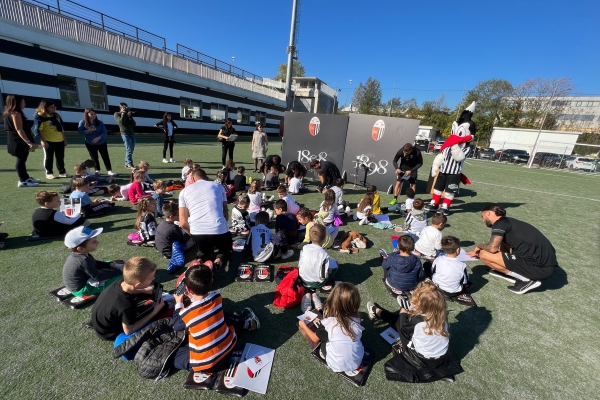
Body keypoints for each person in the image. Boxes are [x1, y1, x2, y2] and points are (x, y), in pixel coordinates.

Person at [366, 281, 463, 383]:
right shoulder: (443, 315)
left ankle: (375, 311)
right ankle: (441, 373)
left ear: (423, 306)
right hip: (443, 359)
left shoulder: (417, 321)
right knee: (407, 319)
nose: (413, 303)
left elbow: (403, 330)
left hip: (420, 360)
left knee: (398, 320)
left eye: (415, 303)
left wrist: (403, 313)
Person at [171, 264, 260, 372]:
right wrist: (193, 297)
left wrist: (178, 303)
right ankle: (248, 323)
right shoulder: (217, 297)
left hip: (206, 365)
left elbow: (177, 325)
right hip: (230, 346)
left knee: (174, 356)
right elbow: (202, 308)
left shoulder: (187, 313)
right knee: (219, 314)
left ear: (188, 290)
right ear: (212, 281)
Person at [467, 204, 558, 294]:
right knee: (502, 242)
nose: (483, 221)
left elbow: (492, 248)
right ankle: (512, 270)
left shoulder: (499, 224)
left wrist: (478, 246)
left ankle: (526, 280)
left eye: (483, 216)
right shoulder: (509, 222)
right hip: (545, 265)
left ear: (489, 213)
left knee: (484, 254)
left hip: (539, 269)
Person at [90, 257, 166, 341]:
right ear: (137, 284)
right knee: (159, 310)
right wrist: (155, 310)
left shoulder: (120, 281)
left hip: (101, 323)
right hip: (110, 333)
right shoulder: (127, 304)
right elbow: (128, 331)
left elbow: (131, 289)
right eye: (151, 278)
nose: (153, 278)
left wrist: (144, 290)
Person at [298, 283, 364, 373]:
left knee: (324, 340)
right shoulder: (357, 319)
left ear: (332, 301)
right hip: (356, 363)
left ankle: (308, 311)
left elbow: (314, 338)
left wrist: (303, 326)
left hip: (335, 364)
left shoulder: (328, 323)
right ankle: (318, 308)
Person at [426, 102, 476, 216]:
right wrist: (435, 166)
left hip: (454, 173)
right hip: (443, 171)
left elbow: (458, 157)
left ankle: (445, 206)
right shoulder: (448, 144)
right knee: (438, 188)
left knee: (449, 191)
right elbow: (441, 155)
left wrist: (454, 144)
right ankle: (434, 203)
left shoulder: (467, 147)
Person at [179, 168, 232, 270]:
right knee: (225, 250)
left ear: (193, 179)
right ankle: (217, 263)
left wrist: (195, 233)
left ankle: (198, 261)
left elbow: (183, 223)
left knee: (204, 252)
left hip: (197, 232)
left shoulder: (184, 192)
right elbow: (225, 213)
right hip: (218, 229)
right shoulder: (219, 186)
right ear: (206, 178)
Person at [62, 226, 122, 296]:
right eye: (94, 242)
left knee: (108, 262)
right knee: (121, 277)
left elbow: (95, 263)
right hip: (82, 289)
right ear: (80, 248)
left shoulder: (80, 255)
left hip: (83, 281)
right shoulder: (83, 260)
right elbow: (98, 277)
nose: (98, 242)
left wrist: (109, 264)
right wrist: (120, 271)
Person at [298, 224, 339, 312]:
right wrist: (330, 272)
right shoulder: (324, 255)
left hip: (303, 278)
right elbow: (323, 276)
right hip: (316, 283)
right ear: (324, 240)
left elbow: (300, 264)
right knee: (335, 265)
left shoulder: (305, 247)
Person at [3, 95, 40, 187]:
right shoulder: (16, 114)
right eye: (23, 102)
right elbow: (19, 129)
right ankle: (23, 180)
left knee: (22, 159)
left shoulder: (9, 113)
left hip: (15, 139)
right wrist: (28, 142)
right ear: (17, 103)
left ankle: (26, 177)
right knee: (21, 160)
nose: (25, 104)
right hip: (18, 140)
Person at [32, 100, 71, 180]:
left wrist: (64, 139)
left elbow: (61, 128)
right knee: (49, 157)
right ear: (45, 108)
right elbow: (39, 130)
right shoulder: (40, 116)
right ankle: (49, 173)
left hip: (59, 140)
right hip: (48, 141)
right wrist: (43, 140)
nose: (54, 108)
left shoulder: (56, 115)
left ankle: (62, 172)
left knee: (60, 157)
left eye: (54, 107)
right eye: (51, 107)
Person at [382, 235, 423, 304]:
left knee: (386, 267)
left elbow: (384, 266)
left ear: (398, 246)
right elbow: (420, 275)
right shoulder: (417, 260)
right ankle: (406, 290)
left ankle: (395, 289)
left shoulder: (393, 256)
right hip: (410, 285)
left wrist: (385, 259)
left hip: (392, 283)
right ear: (413, 247)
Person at [430, 236, 472, 303]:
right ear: (458, 250)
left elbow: (432, 271)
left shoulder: (438, 259)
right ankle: (451, 296)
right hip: (452, 292)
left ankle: (441, 294)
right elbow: (465, 281)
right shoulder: (462, 265)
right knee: (470, 285)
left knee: (427, 265)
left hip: (436, 287)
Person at [78, 108, 115, 176]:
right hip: (90, 143)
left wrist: (98, 137)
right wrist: (88, 131)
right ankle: (97, 170)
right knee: (94, 157)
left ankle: (109, 170)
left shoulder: (100, 122)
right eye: (91, 114)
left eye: (94, 114)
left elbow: (104, 132)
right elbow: (80, 131)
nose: (93, 115)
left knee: (105, 156)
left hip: (101, 143)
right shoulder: (82, 122)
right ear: (87, 114)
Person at [114, 102, 136, 169]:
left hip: (131, 133)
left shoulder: (127, 114)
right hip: (125, 134)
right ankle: (130, 164)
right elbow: (121, 122)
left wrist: (130, 117)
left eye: (126, 107)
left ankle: (126, 163)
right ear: (120, 107)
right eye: (123, 107)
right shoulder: (117, 114)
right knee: (129, 149)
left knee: (131, 149)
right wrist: (123, 113)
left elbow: (134, 124)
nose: (125, 108)